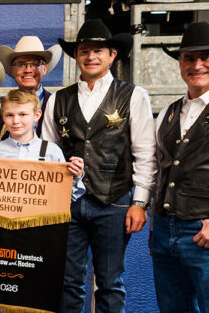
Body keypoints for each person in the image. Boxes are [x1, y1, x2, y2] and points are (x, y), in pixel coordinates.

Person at [42, 19, 156, 313]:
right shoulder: (58, 100)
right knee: (66, 281)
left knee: (109, 281)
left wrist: (139, 202)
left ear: (112, 55)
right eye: (84, 51)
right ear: (76, 55)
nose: (91, 56)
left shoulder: (134, 95)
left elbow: (145, 153)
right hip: (67, 204)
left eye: (98, 50)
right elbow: (47, 155)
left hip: (114, 201)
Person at [154, 21, 209, 312]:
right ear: (180, 63)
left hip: (203, 230)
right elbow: (160, 169)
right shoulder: (168, 112)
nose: (197, 65)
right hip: (165, 230)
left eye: (205, 57)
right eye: (189, 58)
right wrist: (156, 223)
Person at [0, 89, 85, 202]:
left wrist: (76, 176)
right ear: (3, 117)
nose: (15, 121)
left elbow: (65, 198)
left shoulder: (52, 152)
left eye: (23, 114)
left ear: (36, 116)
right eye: (9, 115)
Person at [0, 35, 62, 135]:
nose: (28, 70)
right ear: (12, 70)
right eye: (21, 64)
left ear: (44, 69)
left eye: (35, 64)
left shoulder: (59, 105)